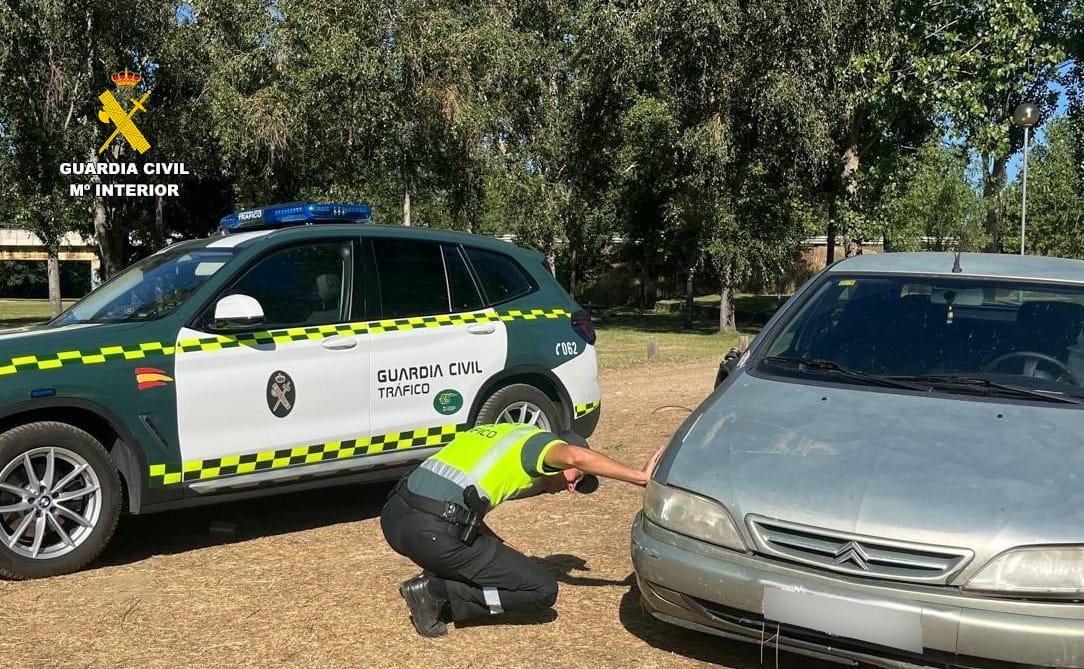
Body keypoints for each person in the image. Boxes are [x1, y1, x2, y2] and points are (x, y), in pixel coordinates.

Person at [380, 422, 664, 637]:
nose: (571, 487)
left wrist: (499, 547)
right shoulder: (539, 446)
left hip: (395, 516)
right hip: (431, 533)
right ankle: (434, 591)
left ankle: (437, 577)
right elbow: (576, 456)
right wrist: (639, 478)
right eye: (576, 478)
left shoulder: (499, 433)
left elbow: (465, 505)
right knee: (541, 590)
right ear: (559, 458)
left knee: (494, 559)